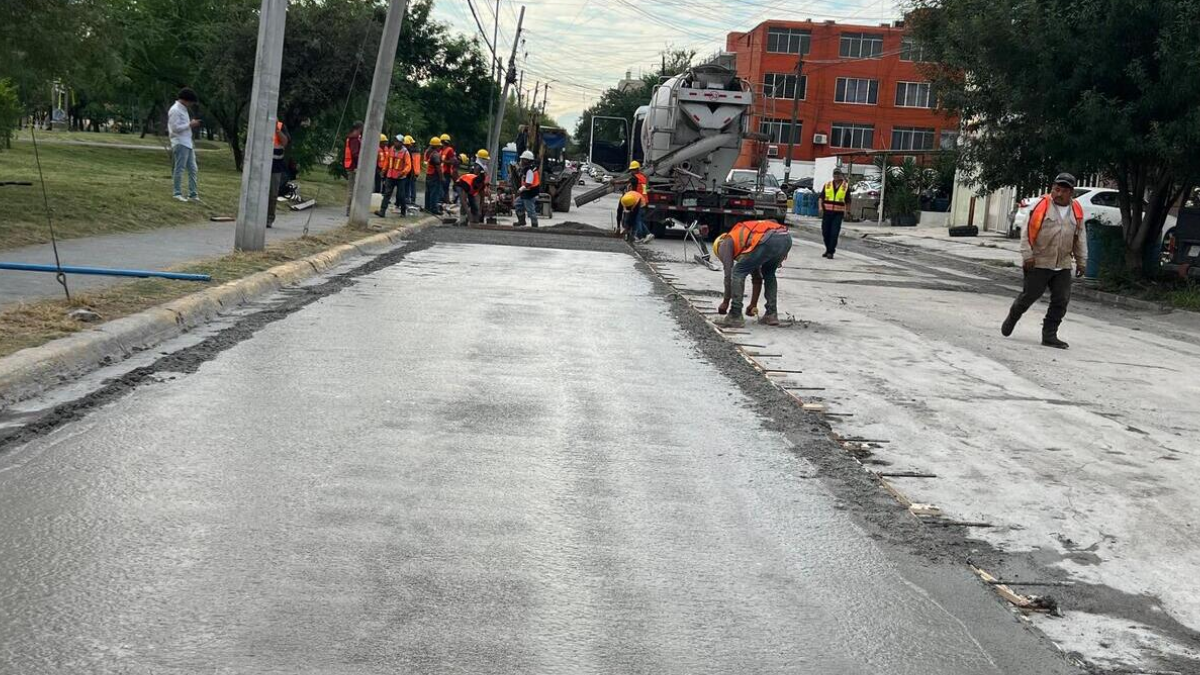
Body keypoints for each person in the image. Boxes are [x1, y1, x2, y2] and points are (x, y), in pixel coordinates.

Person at [1002, 172, 1087, 349]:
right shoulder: (1041, 206)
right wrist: (1027, 256)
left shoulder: (1076, 210)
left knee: (1061, 300)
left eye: (1063, 190)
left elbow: (1080, 238)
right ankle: (1013, 316)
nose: (1059, 193)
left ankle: (1049, 335)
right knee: (1029, 296)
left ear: (1071, 192)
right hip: (1039, 261)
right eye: (1056, 189)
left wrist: (1081, 261)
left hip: (1063, 264)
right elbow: (1026, 233)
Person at [714, 219, 793, 327]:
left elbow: (729, 275)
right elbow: (757, 277)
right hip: (785, 237)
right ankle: (771, 314)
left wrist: (725, 302)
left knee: (737, 272)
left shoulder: (725, 243)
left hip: (768, 238)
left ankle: (735, 315)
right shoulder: (745, 242)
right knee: (769, 272)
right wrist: (753, 304)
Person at [168, 87, 201, 202]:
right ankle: (177, 193)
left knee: (193, 169)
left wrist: (189, 124)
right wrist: (189, 125)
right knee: (180, 168)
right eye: (191, 102)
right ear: (186, 100)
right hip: (180, 142)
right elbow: (175, 128)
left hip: (188, 142)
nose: (191, 104)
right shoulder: (175, 110)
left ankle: (193, 194)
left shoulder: (184, 109)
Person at [819, 167, 851, 258]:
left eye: (838, 174)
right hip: (827, 212)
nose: (836, 176)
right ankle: (828, 249)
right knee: (825, 232)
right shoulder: (827, 185)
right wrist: (820, 207)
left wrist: (847, 212)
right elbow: (821, 198)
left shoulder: (845, 187)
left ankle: (830, 252)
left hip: (838, 213)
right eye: (835, 174)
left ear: (841, 175)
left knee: (834, 232)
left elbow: (848, 201)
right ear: (833, 175)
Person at [376, 135, 410, 218]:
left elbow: (408, 165)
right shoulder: (391, 149)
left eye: (397, 141)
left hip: (400, 178)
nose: (395, 143)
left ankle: (403, 212)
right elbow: (387, 161)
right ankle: (382, 211)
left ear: (402, 143)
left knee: (401, 195)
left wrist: (403, 173)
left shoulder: (405, 152)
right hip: (390, 176)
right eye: (395, 141)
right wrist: (383, 171)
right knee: (387, 194)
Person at [267, 120, 290, 228]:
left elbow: (285, 142)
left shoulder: (281, 126)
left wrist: (277, 130)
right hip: (262, 165)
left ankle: (269, 219)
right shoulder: (261, 123)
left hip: (276, 167)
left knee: (272, 194)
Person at [515, 150, 541, 227]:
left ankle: (534, 224)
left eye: (523, 159)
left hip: (530, 193)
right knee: (518, 203)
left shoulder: (529, 170)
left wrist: (520, 189)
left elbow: (528, 183)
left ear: (527, 160)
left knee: (530, 210)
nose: (521, 161)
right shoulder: (528, 169)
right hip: (526, 192)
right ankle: (521, 221)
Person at [343, 121, 364, 216]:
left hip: (350, 165)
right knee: (352, 189)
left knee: (352, 189)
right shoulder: (354, 139)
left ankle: (350, 209)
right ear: (359, 128)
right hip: (353, 166)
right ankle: (349, 210)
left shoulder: (350, 137)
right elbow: (355, 154)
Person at [422, 136, 444, 214]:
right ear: (436, 146)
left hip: (428, 175)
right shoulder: (435, 155)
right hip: (434, 176)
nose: (440, 147)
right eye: (439, 146)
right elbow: (438, 167)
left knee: (428, 192)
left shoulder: (427, 152)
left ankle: (427, 207)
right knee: (434, 192)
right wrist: (441, 177)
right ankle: (433, 209)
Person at [439, 134, 456, 205]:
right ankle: (443, 201)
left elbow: (452, 161)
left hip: (446, 172)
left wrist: (443, 161)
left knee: (445, 188)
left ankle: (446, 202)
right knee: (441, 188)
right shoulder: (441, 150)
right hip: (441, 172)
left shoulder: (450, 150)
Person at [403, 136, 418, 205]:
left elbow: (412, 163)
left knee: (408, 186)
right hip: (412, 171)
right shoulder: (414, 150)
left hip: (411, 172)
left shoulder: (410, 151)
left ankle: (409, 199)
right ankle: (410, 199)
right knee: (409, 186)